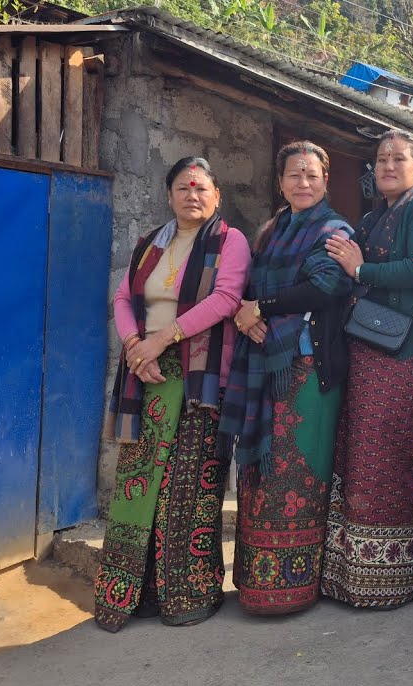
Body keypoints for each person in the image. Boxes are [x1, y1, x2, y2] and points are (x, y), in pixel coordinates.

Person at [96, 157, 250, 631]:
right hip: (144, 375)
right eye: (183, 188)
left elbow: (225, 299)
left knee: (188, 486)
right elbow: (124, 299)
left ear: (216, 195)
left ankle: (188, 595)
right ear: (170, 196)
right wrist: (134, 347)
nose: (192, 195)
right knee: (138, 485)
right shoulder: (150, 245)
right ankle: (131, 595)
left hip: (199, 376)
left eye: (201, 187)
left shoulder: (230, 241)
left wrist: (162, 339)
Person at [219, 142, 355, 615]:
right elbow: (250, 288)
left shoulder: (333, 230)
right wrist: (246, 312)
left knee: (298, 470)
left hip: (305, 366)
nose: (303, 182)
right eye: (294, 175)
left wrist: (264, 309)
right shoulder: (271, 231)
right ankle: (257, 584)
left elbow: (325, 286)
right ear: (280, 183)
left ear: (325, 180)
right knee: (262, 475)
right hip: (264, 363)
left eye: (312, 175)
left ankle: (293, 586)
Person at [321, 131, 413, 609]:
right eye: (381, 159)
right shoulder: (376, 216)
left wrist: (362, 272)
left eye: (400, 159)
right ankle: (356, 572)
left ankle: (393, 577)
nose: (389, 165)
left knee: (391, 449)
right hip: (368, 344)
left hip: (407, 349)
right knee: (360, 450)